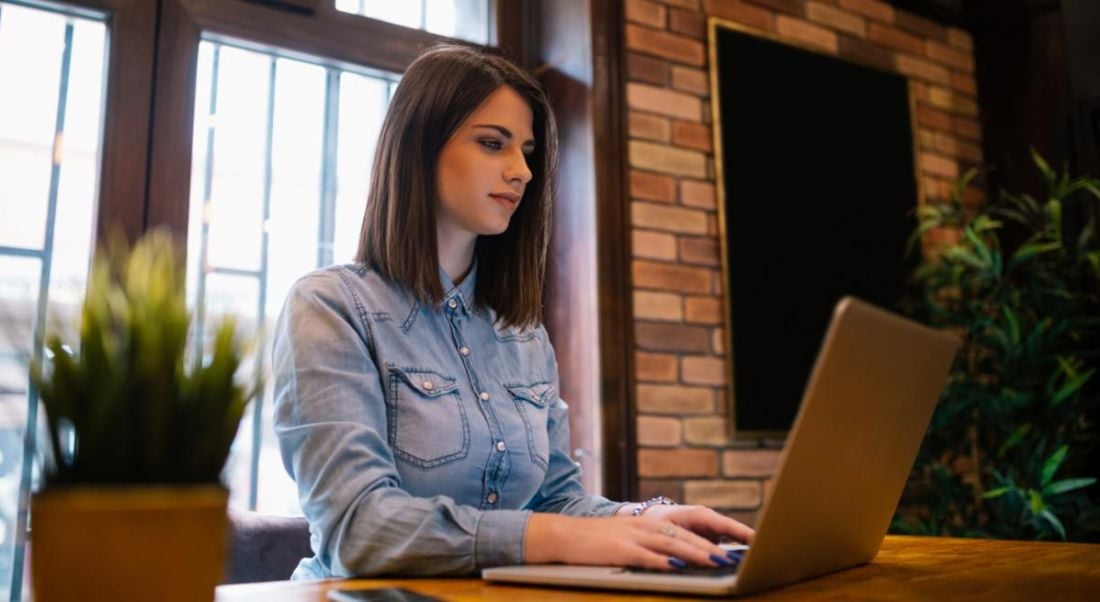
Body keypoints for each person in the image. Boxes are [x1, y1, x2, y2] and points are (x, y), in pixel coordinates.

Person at [272, 44, 753, 579]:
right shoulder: (330, 308)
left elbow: (556, 502)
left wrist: (648, 520)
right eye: (492, 143)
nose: (522, 171)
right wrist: (561, 536)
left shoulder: (522, 335)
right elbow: (357, 528)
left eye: (526, 151)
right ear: (418, 148)